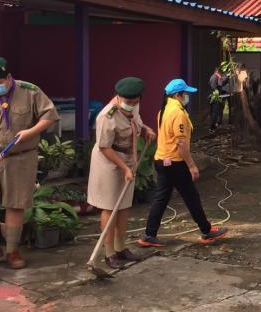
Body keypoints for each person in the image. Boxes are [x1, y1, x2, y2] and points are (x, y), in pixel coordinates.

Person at [0, 57, 59, 269]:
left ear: (8, 77)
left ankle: (12, 250)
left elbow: (50, 115)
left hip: (21, 157)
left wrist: (30, 132)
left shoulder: (31, 91)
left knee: (15, 204)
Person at [138, 79, 228, 247]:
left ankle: (149, 234)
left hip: (162, 159)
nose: (188, 96)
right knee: (191, 197)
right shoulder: (177, 113)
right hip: (175, 162)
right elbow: (181, 144)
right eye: (186, 94)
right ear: (178, 95)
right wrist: (192, 165)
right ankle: (206, 231)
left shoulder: (164, 110)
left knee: (162, 198)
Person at [87, 77, 156, 269]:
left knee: (124, 206)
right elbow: (104, 147)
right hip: (108, 163)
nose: (131, 105)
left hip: (128, 159)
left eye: (135, 102)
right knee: (110, 207)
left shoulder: (133, 107)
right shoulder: (106, 116)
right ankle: (109, 254)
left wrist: (146, 131)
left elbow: (136, 126)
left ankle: (121, 248)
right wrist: (124, 168)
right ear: (118, 97)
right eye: (128, 102)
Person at [208, 66, 228, 131]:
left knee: (212, 111)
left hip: (211, 95)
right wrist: (227, 79)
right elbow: (221, 84)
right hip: (216, 95)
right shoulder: (218, 76)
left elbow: (210, 84)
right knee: (215, 111)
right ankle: (212, 126)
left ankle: (212, 125)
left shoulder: (212, 76)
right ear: (218, 71)